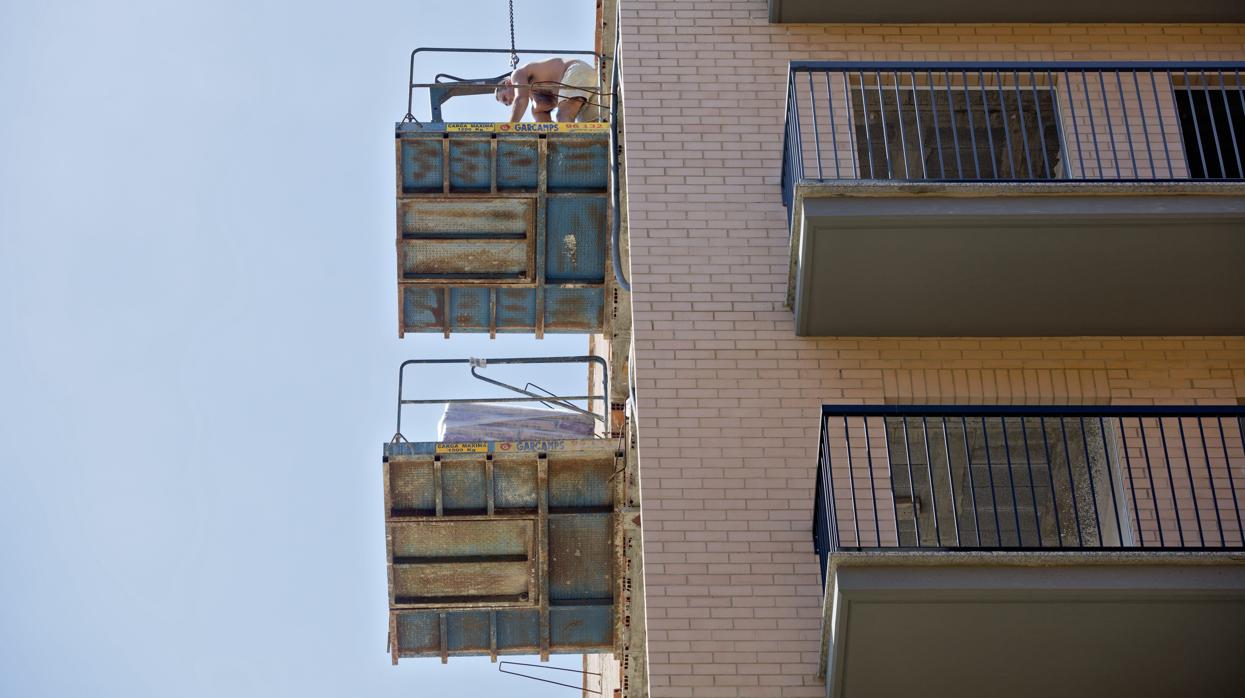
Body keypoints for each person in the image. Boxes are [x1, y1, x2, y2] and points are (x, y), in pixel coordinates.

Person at [494, 57, 601, 123]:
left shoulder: (518, 74)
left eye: (504, 97)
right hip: (588, 85)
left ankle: (567, 156)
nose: (508, 102)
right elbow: (547, 133)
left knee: (563, 116)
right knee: (590, 127)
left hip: (575, 71)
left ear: (507, 83)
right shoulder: (537, 107)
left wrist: (509, 128)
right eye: (506, 104)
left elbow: (521, 99)